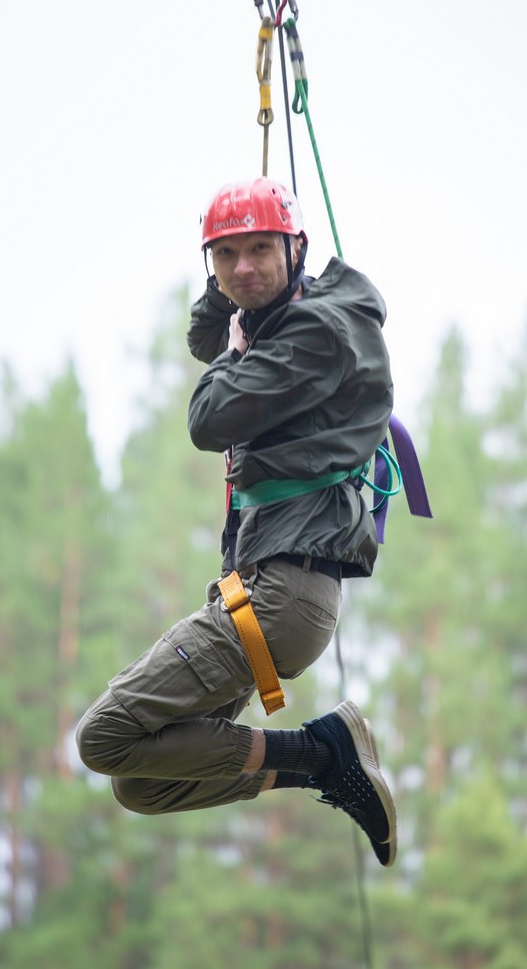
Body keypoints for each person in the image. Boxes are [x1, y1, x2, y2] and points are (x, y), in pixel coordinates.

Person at [76, 177, 397, 866]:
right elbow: (204, 336)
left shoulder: (316, 330)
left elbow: (207, 419)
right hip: (268, 590)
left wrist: (238, 341)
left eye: (259, 251)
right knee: (141, 784)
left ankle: (322, 750)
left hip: (282, 593)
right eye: (225, 257)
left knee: (101, 740)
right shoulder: (282, 319)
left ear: (297, 248)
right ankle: (314, 764)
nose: (242, 269)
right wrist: (238, 301)